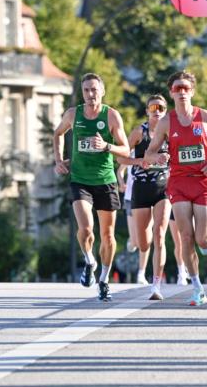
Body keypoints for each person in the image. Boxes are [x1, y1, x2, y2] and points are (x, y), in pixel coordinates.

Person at [145, 70, 207, 307]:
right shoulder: (166, 122)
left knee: (203, 240)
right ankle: (197, 288)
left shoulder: (204, 116)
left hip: (203, 181)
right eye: (177, 88)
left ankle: (205, 242)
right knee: (185, 237)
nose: (182, 92)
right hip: (179, 182)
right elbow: (149, 153)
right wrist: (157, 157)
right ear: (171, 93)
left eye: (185, 88)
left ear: (192, 91)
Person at [53, 72, 130, 302]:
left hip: (106, 181)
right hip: (80, 180)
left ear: (102, 91)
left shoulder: (111, 116)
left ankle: (104, 280)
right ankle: (89, 261)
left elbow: (126, 150)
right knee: (86, 229)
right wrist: (59, 160)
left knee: (107, 235)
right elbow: (58, 133)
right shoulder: (73, 114)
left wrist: (106, 146)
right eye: (86, 90)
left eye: (94, 89)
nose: (90, 94)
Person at [118, 94, 171, 301]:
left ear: (165, 111)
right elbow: (121, 157)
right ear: (147, 111)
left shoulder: (170, 132)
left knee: (159, 235)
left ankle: (156, 285)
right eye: (153, 108)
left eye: (161, 108)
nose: (157, 111)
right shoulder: (139, 132)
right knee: (143, 243)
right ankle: (139, 243)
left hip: (163, 188)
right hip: (140, 189)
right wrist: (139, 161)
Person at [116, 162, 150, 283]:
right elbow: (120, 171)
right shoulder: (131, 153)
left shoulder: (153, 152)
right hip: (130, 198)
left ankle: (141, 273)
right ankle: (132, 241)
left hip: (149, 197)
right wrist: (121, 183)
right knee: (136, 242)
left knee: (146, 238)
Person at [169, 213, 190, 286]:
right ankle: (182, 273)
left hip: (188, 210)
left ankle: (189, 265)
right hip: (173, 211)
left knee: (188, 241)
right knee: (178, 244)